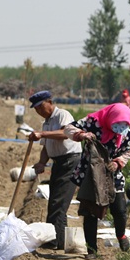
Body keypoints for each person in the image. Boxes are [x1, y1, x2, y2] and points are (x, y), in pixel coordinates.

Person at [64, 103, 130, 258]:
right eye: (117, 123)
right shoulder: (93, 122)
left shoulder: (125, 130)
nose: (119, 127)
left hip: (112, 173)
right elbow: (68, 129)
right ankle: (92, 250)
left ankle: (121, 235)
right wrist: (82, 135)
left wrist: (118, 162)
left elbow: (128, 150)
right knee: (91, 211)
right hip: (92, 173)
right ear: (111, 118)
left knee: (120, 209)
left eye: (123, 124)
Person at [28, 90, 82, 251]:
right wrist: (41, 163)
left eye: (41, 107)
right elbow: (46, 147)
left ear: (50, 102)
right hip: (58, 163)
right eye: (36, 109)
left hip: (70, 161)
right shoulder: (46, 123)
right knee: (55, 201)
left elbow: (65, 134)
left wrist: (42, 133)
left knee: (59, 202)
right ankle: (59, 240)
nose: (39, 111)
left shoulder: (62, 115)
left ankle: (54, 240)